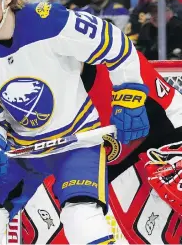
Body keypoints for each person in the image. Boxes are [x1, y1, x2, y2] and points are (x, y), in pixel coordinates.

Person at [0, 0, 150, 244]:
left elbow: (112, 42)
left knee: (81, 215)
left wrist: (130, 95)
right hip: (20, 150)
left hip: (76, 140)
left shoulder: (50, 22)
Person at [19, 52, 182, 244]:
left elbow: (174, 112)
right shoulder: (18, 99)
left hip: (155, 147)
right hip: (97, 165)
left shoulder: (121, 65)